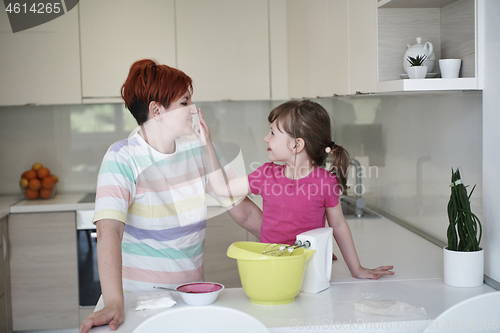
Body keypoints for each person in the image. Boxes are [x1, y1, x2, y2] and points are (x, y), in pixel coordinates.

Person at [79, 59, 262, 333]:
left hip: (189, 298)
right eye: (185, 102)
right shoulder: (122, 157)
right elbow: (110, 232)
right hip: (135, 303)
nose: (194, 109)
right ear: (156, 110)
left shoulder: (200, 150)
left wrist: (295, 244)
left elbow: (244, 211)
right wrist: (114, 302)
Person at [195, 99, 394, 280]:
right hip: (273, 267)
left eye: (272, 132)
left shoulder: (325, 182)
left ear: (297, 145)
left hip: (309, 269)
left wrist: (356, 269)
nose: (266, 138)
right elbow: (222, 188)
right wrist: (207, 146)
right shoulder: (265, 174)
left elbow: (339, 226)